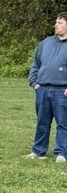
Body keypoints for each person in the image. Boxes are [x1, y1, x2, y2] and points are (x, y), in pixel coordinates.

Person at [26, 13, 67, 162]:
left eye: (60, 22)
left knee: (63, 123)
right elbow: (35, 64)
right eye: (56, 22)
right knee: (42, 122)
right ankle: (38, 151)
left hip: (62, 91)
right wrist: (34, 83)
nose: (56, 25)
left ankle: (62, 153)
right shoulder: (46, 43)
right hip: (42, 89)